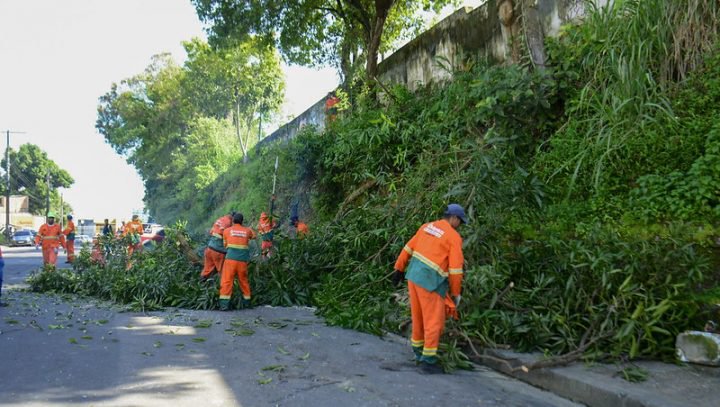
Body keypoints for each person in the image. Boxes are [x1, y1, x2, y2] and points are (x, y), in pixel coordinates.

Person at [392, 203, 467, 374]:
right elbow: (456, 269)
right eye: (460, 222)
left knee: (418, 317)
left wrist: (398, 269)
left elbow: (408, 248)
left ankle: (419, 353)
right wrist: (456, 293)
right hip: (430, 282)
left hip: (413, 277)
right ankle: (428, 361)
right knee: (434, 321)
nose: (460, 226)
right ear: (454, 218)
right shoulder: (453, 237)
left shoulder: (427, 227)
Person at [219, 212, 256, 310]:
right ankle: (247, 303)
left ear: (233, 221)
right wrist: (248, 228)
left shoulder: (226, 231)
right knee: (244, 281)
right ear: (242, 221)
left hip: (230, 260)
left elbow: (225, 245)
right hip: (242, 261)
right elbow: (254, 236)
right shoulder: (247, 231)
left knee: (227, 281)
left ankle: (224, 305)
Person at [201, 212, 233, 281]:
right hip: (218, 252)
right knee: (223, 273)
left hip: (209, 249)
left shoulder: (219, 220)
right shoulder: (229, 222)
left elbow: (211, 232)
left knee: (206, 271)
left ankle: (200, 286)